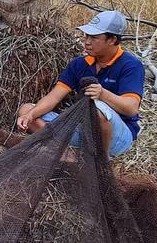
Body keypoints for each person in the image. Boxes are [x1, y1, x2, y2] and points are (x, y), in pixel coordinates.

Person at [16, 11, 145, 157]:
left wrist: (103, 94)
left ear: (112, 40)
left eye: (94, 37)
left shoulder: (131, 66)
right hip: (82, 129)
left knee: (97, 109)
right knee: (26, 110)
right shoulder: (79, 64)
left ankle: (100, 160)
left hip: (117, 137)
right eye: (87, 36)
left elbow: (131, 108)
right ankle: (64, 153)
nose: (87, 41)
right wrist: (31, 115)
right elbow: (53, 98)